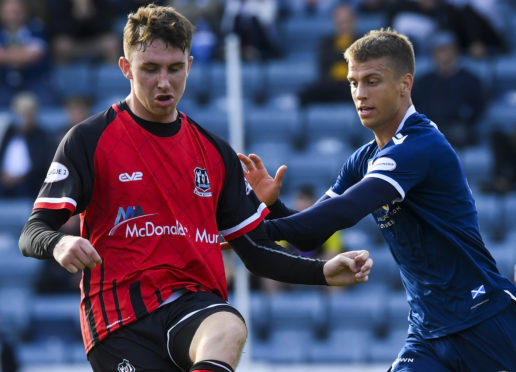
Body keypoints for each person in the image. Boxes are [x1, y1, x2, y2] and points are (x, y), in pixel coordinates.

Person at [18, 5, 373, 372]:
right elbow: (32, 232)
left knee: (229, 325)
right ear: (126, 68)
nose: (164, 82)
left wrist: (322, 271)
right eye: (150, 69)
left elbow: (255, 251)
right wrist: (59, 242)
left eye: (174, 69)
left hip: (194, 307)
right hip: (120, 322)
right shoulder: (89, 140)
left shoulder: (214, 152)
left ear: (189, 64)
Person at [238, 28, 516, 371]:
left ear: (405, 84)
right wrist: (273, 206)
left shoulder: (420, 145)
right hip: (427, 333)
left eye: (372, 81)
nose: (360, 94)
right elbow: (310, 237)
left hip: (483, 320)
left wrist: (252, 227)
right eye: (354, 83)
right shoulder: (364, 158)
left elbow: (348, 209)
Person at [411, 30, 486, 149]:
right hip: (429, 127)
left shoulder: (470, 79)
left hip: (458, 127)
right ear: (433, 54)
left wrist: (465, 119)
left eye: (447, 49)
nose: (444, 54)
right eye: (440, 50)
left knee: (457, 134)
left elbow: (479, 107)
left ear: (456, 51)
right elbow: (413, 107)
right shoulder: (423, 82)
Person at [297, 2, 356, 107]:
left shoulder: (363, 41)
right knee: (308, 92)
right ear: (335, 22)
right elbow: (324, 67)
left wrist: (338, 60)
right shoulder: (326, 42)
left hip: (354, 86)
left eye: (347, 21)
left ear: (354, 21)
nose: (344, 26)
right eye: (341, 22)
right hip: (331, 86)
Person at [0, 0, 55, 106]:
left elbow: (33, 55)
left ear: (24, 12)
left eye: (16, 12)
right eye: (9, 12)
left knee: (45, 103)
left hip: (35, 82)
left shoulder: (36, 28)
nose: (12, 16)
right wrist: (22, 52)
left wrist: (6, 54)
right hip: (4, 84)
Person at [0, 91, 54, 198]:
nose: (25, 117)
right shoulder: (8, 132)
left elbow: (41, 164)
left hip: (29, 182)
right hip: (4, 180)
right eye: (22, 113)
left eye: (29, 113)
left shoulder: (42, 136)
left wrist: (19, 178)